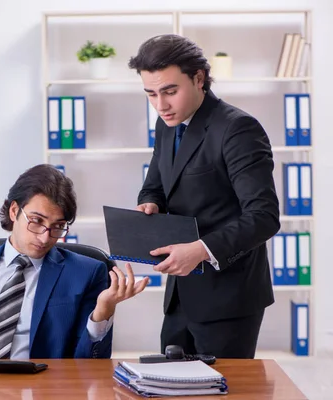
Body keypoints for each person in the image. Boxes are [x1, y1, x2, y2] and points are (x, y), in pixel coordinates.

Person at [128, 34, 280, 359]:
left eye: (170, 91)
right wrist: (149, 203)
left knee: (221, 390)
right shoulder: (167, 124)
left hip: (228, 295)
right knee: (170, 385)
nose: (160, 104)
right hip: (180, 294)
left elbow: (263, 217)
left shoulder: (238, 129)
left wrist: (200, 250)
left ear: (199, 78)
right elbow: (154, 184)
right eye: (151, 94)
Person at [0, 164, 148, 360]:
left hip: (34, 386)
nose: (46, 237)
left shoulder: (85, 273)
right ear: (14, 211)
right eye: (37, 221)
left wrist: (103, 310)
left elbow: (89, 365)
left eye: (58, 226)